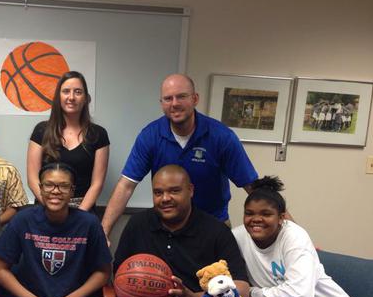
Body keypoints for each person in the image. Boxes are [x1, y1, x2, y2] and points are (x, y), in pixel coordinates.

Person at [102, 74, 257, 238]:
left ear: (195, 98)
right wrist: (103, 233)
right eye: (168, 99)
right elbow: (125, 186)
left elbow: (253, 186)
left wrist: (285, 228)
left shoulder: (221, 136)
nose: (174, 104)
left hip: (213, 227)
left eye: (181, 96)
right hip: (166, 229)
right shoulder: (150, 136)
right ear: (161, 104)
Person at [114, 165, 251, 297]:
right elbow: (118, 277)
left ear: (190, 190)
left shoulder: (217, 230)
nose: (165, 198)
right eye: (158, 193)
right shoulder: (137, 224)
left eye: (174, 191)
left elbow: (242, 289)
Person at [0, 162, 112, 297]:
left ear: (72, 191)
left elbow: (103, 272)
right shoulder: (23, 220)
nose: (55, 191)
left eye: (64, 186)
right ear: (41, 188)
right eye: (48, 185)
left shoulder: (89, 223)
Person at [232, 176, 353, 297]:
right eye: (249, 213)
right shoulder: (237, 236)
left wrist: (251, 294)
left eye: (266, 214)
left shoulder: (295, 236)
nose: (256, 219)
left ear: (281, 218)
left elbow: (300, 296)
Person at [27, 71, 109, 211]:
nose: (71, 97)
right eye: (66, 91)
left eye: (78, 92)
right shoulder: (41, 131)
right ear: (59, 97)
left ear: (85, 98)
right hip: (46, 208)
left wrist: (78, 217)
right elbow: (32, 178)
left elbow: (97, 184)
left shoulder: (98, 134)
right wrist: (52, 209)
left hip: (83, 211)